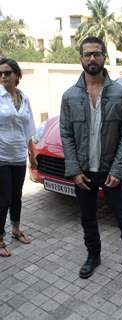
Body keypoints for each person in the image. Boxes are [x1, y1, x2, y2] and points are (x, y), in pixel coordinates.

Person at [60, 37, 122, 291]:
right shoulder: (69, 96)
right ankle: (93, 256)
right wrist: (74, 170)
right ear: (80, 59)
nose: (92, 59)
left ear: (104, 56)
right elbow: (66, 134)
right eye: (87, 55)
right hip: (84, 173)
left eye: (97, 54)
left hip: (111, 171)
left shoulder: (121, 94)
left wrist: (118, 170)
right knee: (88, 219)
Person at [0, 58, 37, 257]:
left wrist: (32, 153)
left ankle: (15, 230)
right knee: (3, 199)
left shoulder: (24, 98)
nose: (3, 76)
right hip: (1, 157)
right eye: (0, 73)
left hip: (18, 156)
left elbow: (28, 127)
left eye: (7, 72)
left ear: (17, 75)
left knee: (16, 197)